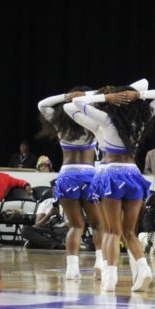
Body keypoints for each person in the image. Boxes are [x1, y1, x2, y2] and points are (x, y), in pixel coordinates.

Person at [65, 82, 155, 293]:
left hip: (111, 173)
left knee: (112, 231)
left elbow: (75, 103)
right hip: (133, 174)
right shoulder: (142, 119)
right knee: (130, 231)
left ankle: (110, 277)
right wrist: (137, 95)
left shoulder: (105, 119)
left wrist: (105, 97)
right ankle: (143, 267)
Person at [38, 85, 109, 280]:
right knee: (98, 224)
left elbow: (42, 105)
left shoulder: (61, 124)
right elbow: (107, 98)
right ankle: (99, 262)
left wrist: (66, 96)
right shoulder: (92, 121)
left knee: (75, 226)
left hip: (67, 175)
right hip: (89, 175)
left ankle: (72, 269)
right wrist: (87, 95)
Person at [21, 182, 68, 250]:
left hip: (62, 231)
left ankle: (40, 243)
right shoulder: (46, 203)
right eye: (54, 191)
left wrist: (62, 223)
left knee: (68, 232)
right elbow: (37, 225)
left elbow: (76, 225)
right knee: (25, 230)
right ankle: (55, 245)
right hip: (47, 230)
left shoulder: (72, 203)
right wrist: (48, 215)